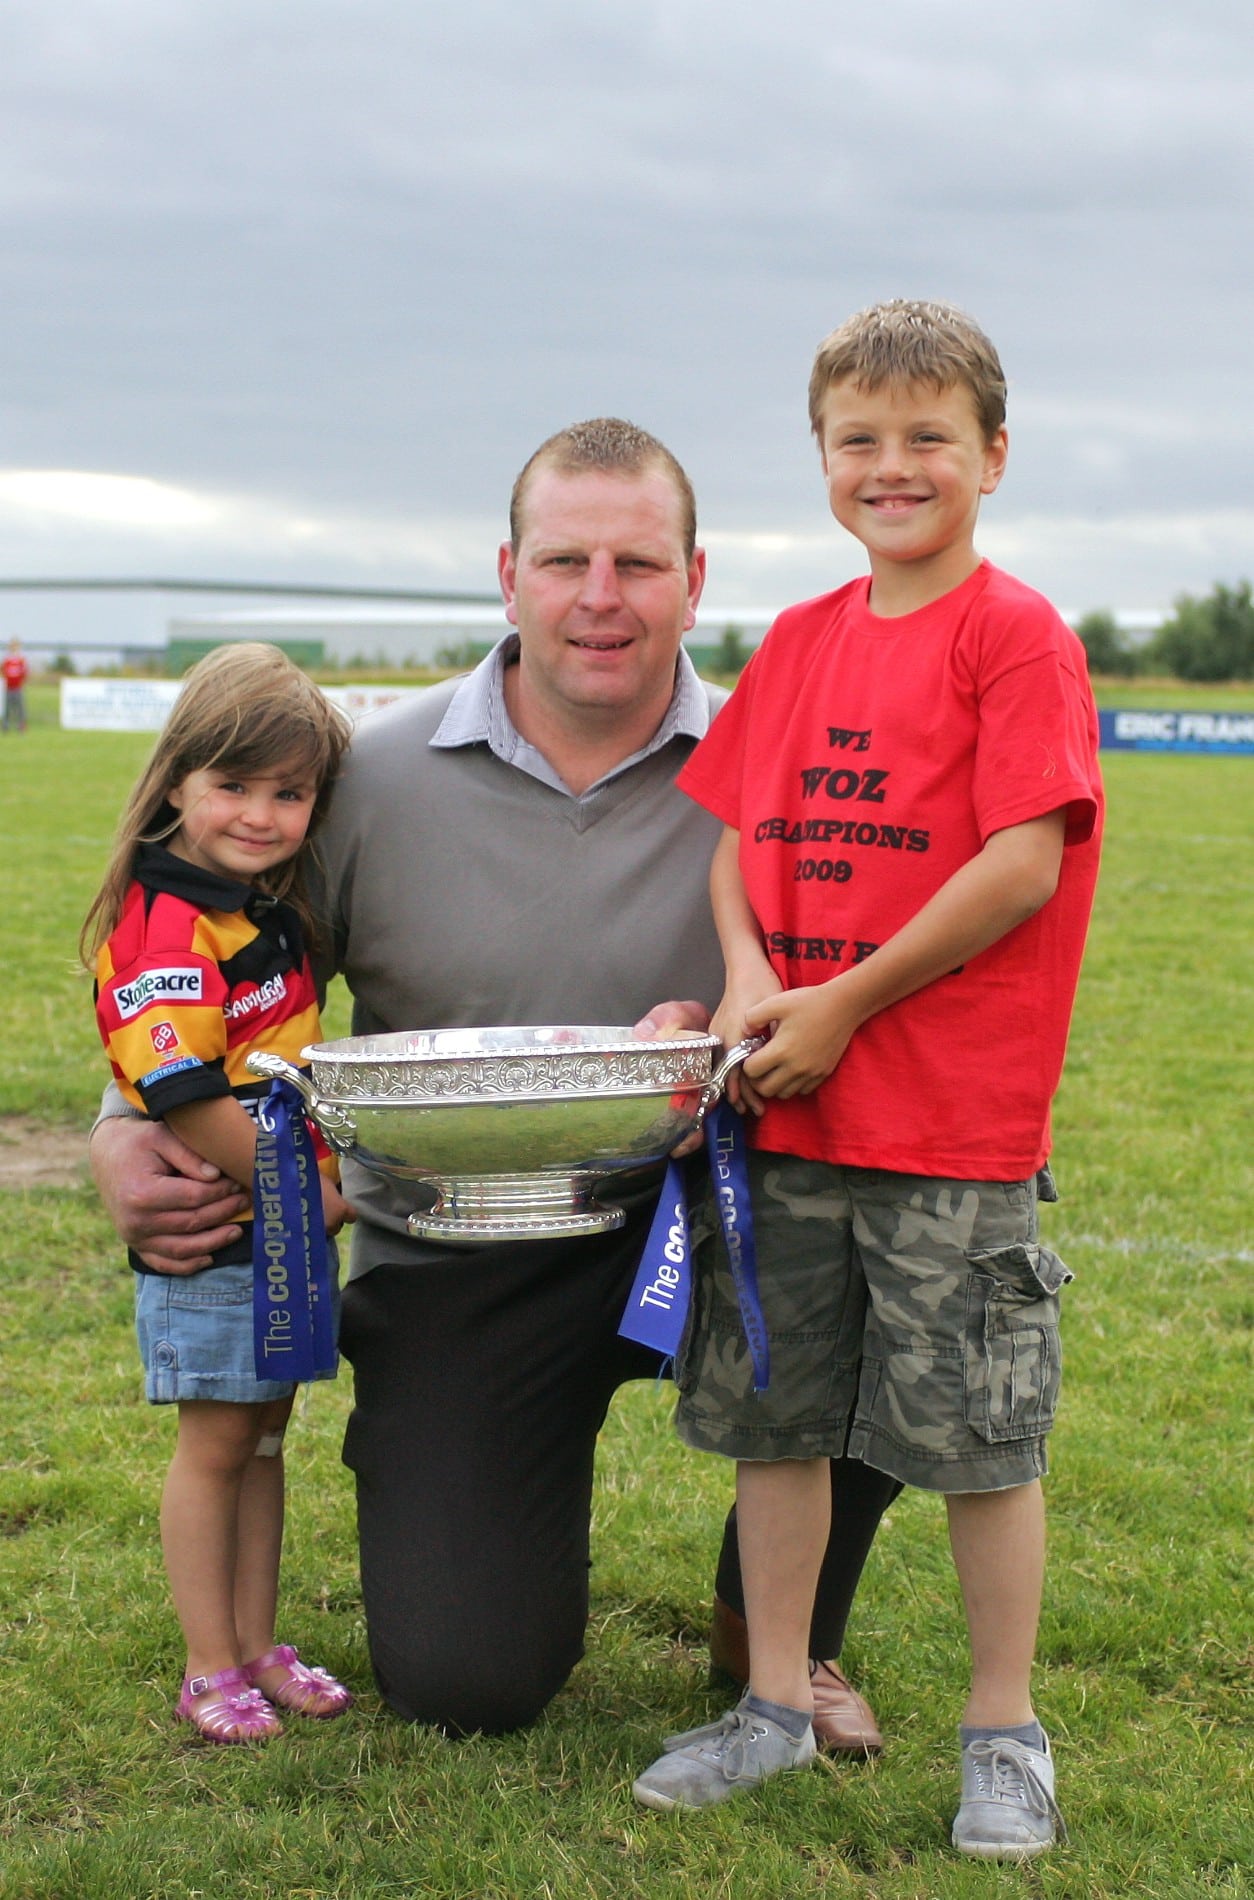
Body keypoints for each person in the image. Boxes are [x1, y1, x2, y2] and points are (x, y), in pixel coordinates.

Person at [90, 420, 900, 1743]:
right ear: (506, 572)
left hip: (710, 1218)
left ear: (695, 581)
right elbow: (216, 970)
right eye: (565, 559)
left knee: (913, 1236)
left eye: (636, 564)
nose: (598, 598)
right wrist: (123, 1133)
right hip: (461, 1240)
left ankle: (780, 1626)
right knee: (470, 1680)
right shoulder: (364, 780)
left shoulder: (784, 770)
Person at [631, 304, 1103, 1862]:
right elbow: (731, 843)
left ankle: (1002, 1734)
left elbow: (1022, 861)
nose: (891, 467)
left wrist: (844, 1001)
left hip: (948, 1132)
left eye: (927, 439)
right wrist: (762, 980)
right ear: (822, 453)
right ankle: (769, 1701)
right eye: (859, 440)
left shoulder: (1012, 634)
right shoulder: (804, 639)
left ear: (991, 457)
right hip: (790, 1113)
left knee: (977, 1439)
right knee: (777, 1422)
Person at [82, 643, 356, 1743]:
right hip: (223, 1238)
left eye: (289, 792)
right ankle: (208, 1666)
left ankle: (256, 1641)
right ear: (177, 783)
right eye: (234, 785)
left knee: (266, 1438)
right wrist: (309, 1193)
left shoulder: (259, 909)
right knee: (213, 1447)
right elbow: (186, 1096)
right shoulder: (162, 923)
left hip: (280, 1233)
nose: (261, 813)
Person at [2, 637, 28, 731]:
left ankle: (21, 725)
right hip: (8, 687)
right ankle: (5, 725)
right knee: (7, 708)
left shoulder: (21, 660)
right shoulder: (7, 660)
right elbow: (3, 671)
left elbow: (24, 672)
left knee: (20, 708)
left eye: (15, 646)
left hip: (18, 687)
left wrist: (22, 682)